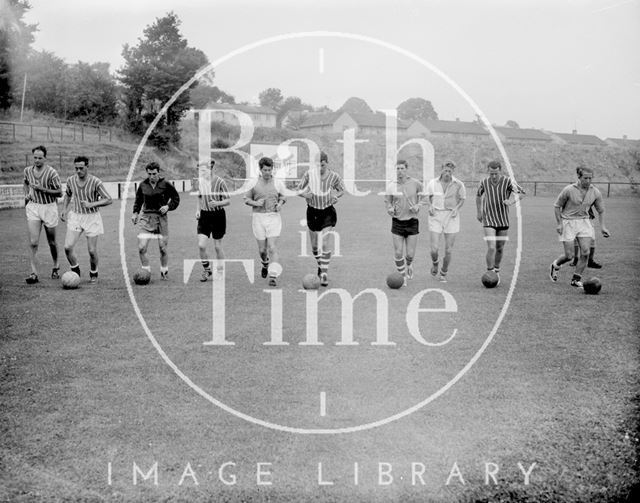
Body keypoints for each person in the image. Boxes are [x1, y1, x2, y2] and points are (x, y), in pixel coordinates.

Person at [549, 166, 610, 288]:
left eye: (590, 178)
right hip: (568, 222)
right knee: (569, 256)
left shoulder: (595, 192)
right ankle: (555, 265)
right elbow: (557, 206)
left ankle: (576, 279)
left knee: (586, 252)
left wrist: (603, 227)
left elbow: (601, 210)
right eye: (585, 178)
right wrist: (559, 223)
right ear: (579, 177)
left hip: (584, 222)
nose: (588, 181)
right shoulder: (568, 190)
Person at [60, 156, 113, 282]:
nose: (78, 171)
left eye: (81, 168)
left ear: (87, 167)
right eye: (76, 168)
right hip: (76, 216)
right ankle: (75, 270)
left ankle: (93, 273)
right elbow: (68, 195)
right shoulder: (71, 180)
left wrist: (91, 204)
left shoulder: (95, 182)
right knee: (67, 247)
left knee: (92, 251)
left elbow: (108, 199)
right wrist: (64, 209)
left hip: (92, 217)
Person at [297, 151, 345, 287]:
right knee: (314, 247)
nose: (320, 168)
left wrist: (336, 196)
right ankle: (320, 264)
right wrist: (305, 195)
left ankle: (324, 274)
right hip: (312, 212)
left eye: (322, 165)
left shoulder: (334, 176)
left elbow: (342, 190)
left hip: (327, 212)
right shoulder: (309, 174)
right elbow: (298, 189)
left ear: (326, 163)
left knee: (324, 243)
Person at [475, 160, 525, 284]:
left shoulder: (508, 181)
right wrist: (479, 212)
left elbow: (522, 193)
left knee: (499, 248)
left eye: (496, 173)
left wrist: (511, 202)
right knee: (491, 247)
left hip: (502, 219)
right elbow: (478, 196)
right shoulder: (484, 182)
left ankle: (496, 271)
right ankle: (489, 272)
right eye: (491, 173)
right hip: (489, 219)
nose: (493, 176)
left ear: (500, 171)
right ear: (488, 171)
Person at [131, 162, 180, 280]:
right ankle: (145, 272)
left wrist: (168, 207)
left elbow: (176, 198)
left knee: (163, 248)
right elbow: (138, 201)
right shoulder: (143, 185)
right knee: (142, 247)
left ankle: (164, 271)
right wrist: (135, 213)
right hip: (146, 219)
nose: (152, 176)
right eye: (149, 174)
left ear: (159, 172)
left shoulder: (166, 184)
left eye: (154, 174)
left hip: (161, 219)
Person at [23, 145, 62, 284]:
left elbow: (60, 192)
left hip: (49, 208)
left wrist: (42, 189)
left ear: (45, 158)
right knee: (33, 242)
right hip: (34, 207)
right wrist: (27, 195)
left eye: (40, 158)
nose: (37, 160)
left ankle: (56, 266)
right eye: (35, 157)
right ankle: (33, 273)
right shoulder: (27, 171)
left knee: (52, 242)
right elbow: (25, 182)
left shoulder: (52, 173)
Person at [244, 157, 286, 287]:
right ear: (260, 169)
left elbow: (283, 197)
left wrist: (280, 204)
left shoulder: (278, 183)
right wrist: (256, 202)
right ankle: (265, 263)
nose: (268, 172)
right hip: (258, 218)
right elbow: (246, 199)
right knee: (262, 250)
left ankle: (273, 275)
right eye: (265, 170)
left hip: (274, 217)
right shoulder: (253, 182)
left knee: (272, 247)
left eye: (270, 169)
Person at [425, 160, 466, 282]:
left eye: (450, 171)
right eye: (445, 170)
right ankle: (435, 263)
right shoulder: (432, 183)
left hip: (451, 217)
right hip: (436, 216)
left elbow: (462, 199)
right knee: (434, 249)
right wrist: (430, 206)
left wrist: (456, 209)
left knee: (448, 249)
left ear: (453, 171)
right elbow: (428, 196)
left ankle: (443, 271)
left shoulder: (459, 184)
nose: (447, 173)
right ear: (441, 169)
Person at [384, 159, 424, 285]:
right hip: (397, 222)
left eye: (402, 168)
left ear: (406, 169)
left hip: (412, 222)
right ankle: (403, 276)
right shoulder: (391, 186)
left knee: (410, 255)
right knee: (398, 252)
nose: (400, 171)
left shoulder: (416, 183)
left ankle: (409, 265)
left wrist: (418, 205)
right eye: (398, 168)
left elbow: (424, 197)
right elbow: (388, 201)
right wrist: (389, 209)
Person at [196, 159, 230, 282]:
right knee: (201, 245)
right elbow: (199, 197)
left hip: (218, 216)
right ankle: (207, 270)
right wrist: (198, 210)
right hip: (204, 216)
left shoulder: (220, 181)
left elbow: (228, 200)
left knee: (217, 247)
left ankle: (220, 271)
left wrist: (217, 203)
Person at [570, 204, 602, 269]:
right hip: (575, 217)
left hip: (588, 218)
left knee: (592, 239)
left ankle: (590, 261)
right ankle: (576, 259)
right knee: (576, 239)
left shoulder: (589, 194)